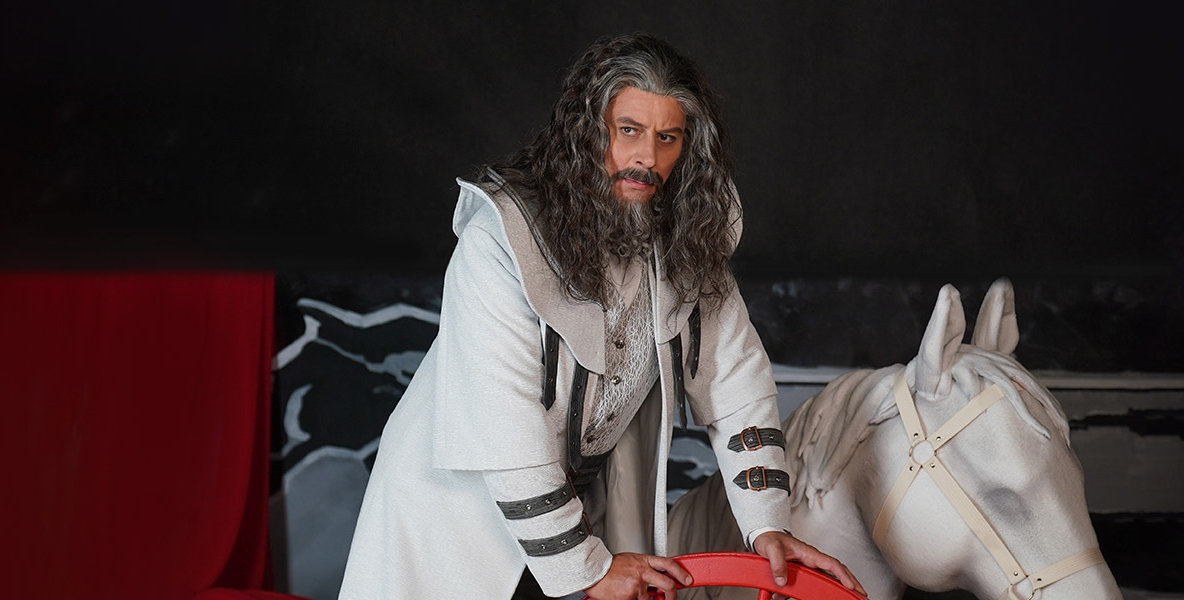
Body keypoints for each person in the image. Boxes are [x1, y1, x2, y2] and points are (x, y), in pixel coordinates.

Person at [338, 33, 865, 600]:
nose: (648, 158)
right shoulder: (499, 238)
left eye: (668, 138)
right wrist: (584, 566)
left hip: (572, 514)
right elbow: (505, 426)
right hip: (452, 518)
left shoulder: (684, 242)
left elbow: (736, 382)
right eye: (629, 130)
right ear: (586, 131)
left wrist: (767, 526)